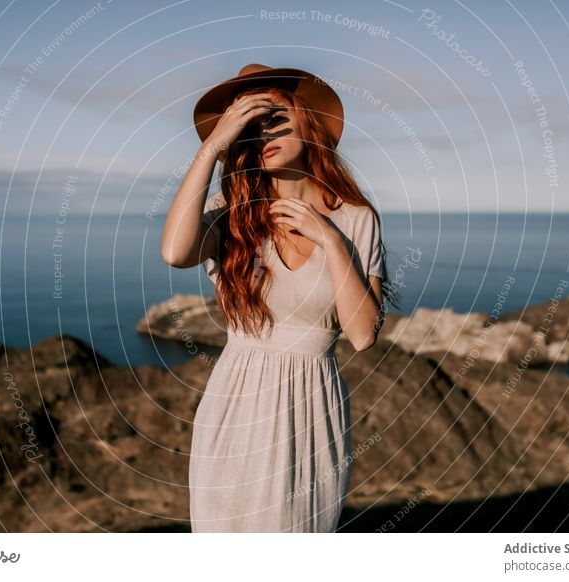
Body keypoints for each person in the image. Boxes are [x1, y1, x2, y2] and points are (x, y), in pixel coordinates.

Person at [161, 63, 400, 532]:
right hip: (234, 402)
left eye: (274, 116)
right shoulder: (229, 213)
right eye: (249, 126)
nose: (262, 133)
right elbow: (175, 252)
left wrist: (330, 241)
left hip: (311, 406)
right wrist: (212, 146)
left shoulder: (356, 219)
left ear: (308, 119)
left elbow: (362, 335)